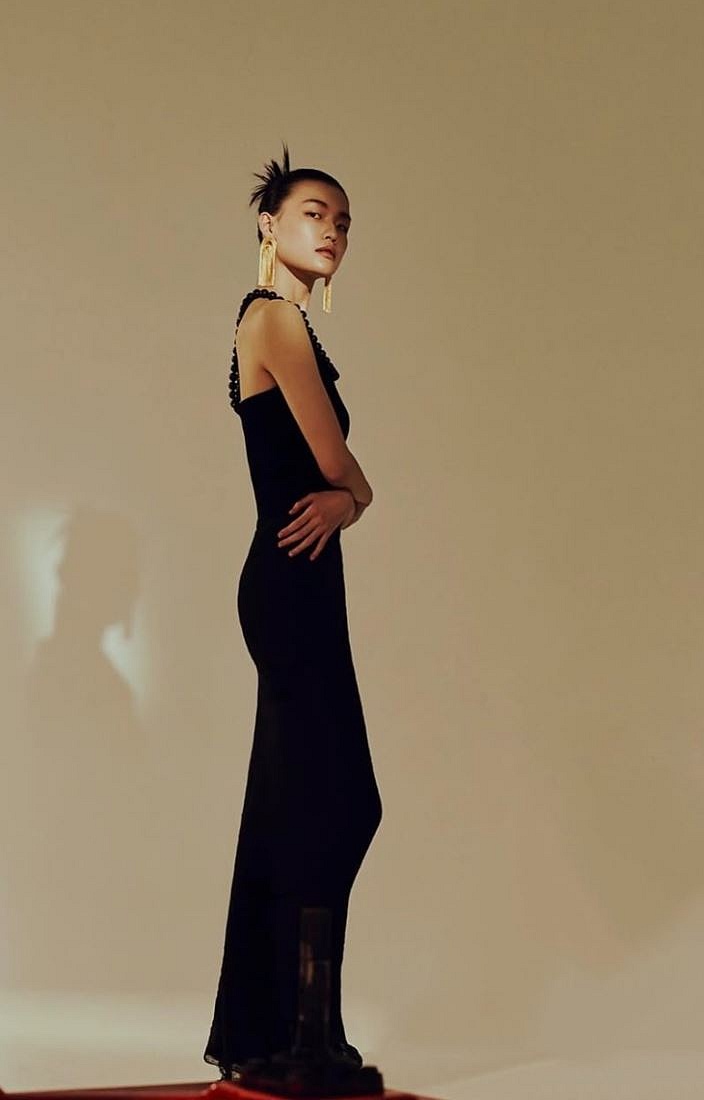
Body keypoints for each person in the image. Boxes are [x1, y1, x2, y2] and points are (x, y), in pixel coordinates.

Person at [203, 142, 383, 1079]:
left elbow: (343, 485)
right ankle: (293, 1036)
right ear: (270, 226)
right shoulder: (273, 319)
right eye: (316, 214)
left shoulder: (292, 326)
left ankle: (292, 1031)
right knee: (329, 799)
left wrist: (350, 499)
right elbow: (335, 467)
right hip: (288, 574)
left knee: (314, 798)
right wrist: (356, 495)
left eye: (344, 221)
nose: (334, 231)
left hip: (306, 578)